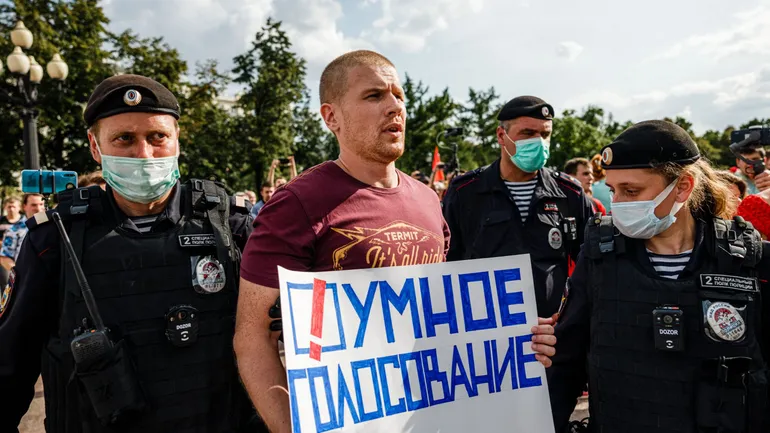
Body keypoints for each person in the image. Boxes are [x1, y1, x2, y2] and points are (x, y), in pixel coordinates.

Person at [233, 50, 558, 433]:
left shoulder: (427, 199)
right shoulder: (298, 203)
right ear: (331, 116)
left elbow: (446, 320)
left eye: (399, 95)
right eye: (374, 96)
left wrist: (519, 335)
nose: (395, 107)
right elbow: (252, 336)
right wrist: (288, 426)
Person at [0, 74, 264, 433]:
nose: (144, 154)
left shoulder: (229, 227)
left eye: (158, 137)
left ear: (176, 140)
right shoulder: (53, 240)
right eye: (124, 138)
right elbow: (10, 364)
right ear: (95, 147)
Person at [548, 120, 769, 433]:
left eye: (632, 190)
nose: (618, 204)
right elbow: (565, 365)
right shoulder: (599, 255)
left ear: (683, 186)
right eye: (613, 190)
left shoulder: (745, 257)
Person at [442, 96, 595, 317]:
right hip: (486, 330)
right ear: (501, 136)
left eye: (545, 134)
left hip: (551, 332)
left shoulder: (569, 193)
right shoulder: (466, 191)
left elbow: (588, 264)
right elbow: (448, 262)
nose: (538, 141)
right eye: (527, 134)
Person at [0, 193, 45, 270]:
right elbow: (5, 258)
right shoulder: (14, 230)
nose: (38, 208)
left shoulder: (53, 225)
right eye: (33, 205)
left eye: (41, 204)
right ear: (24, 207)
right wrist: (20, 275)